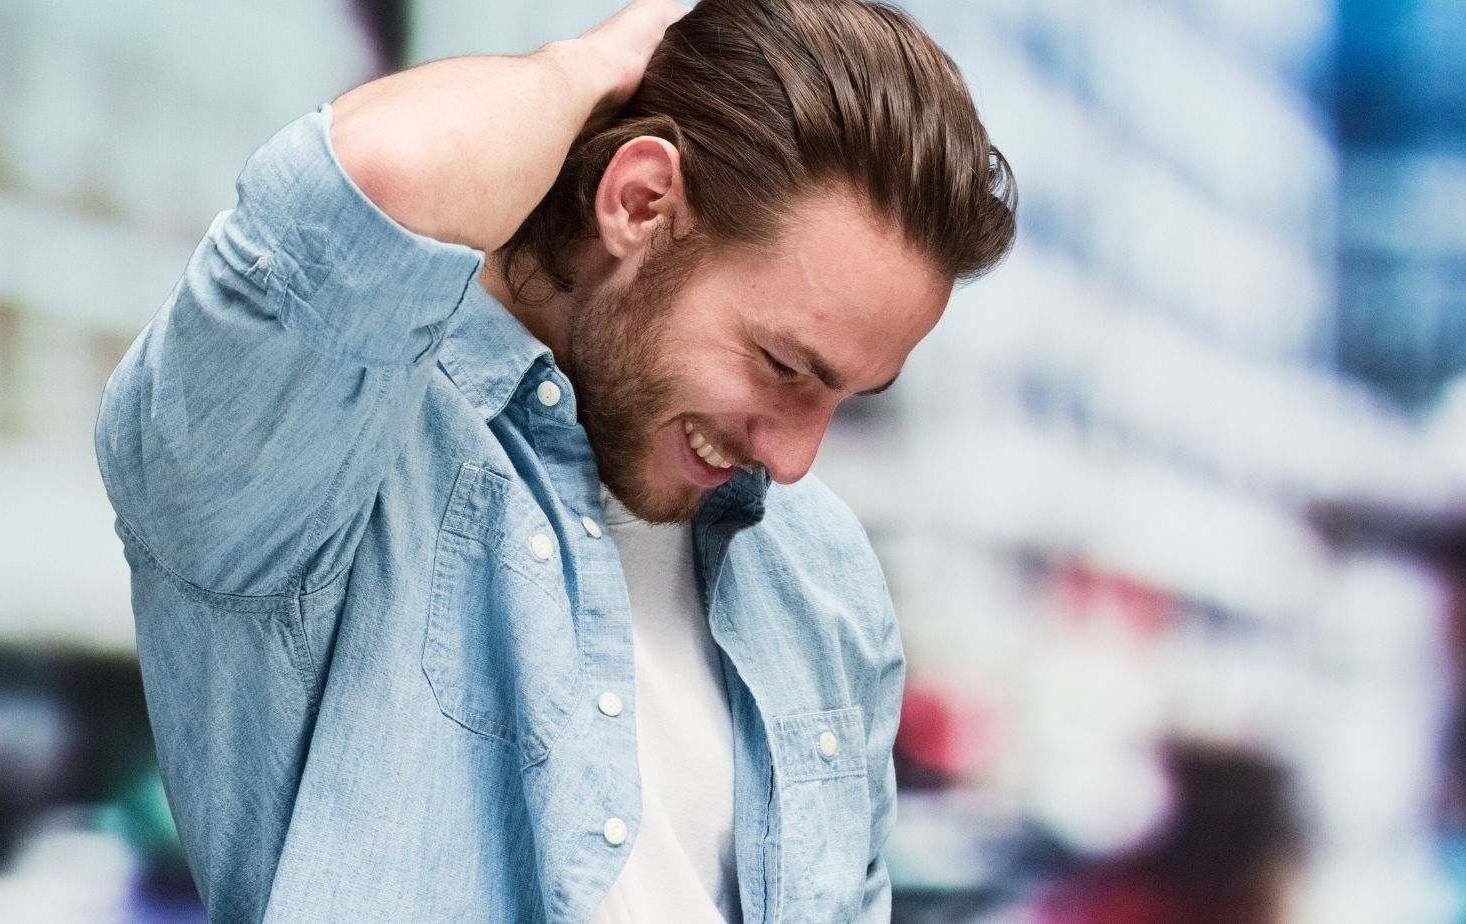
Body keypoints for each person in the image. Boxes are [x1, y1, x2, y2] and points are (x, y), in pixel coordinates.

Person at [93, 0, 1016, 920]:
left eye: (845, 398)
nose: (795, 459)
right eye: (781, 367)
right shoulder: (324, 460)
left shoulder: (825, 573)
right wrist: (588, 67)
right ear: (640, 202)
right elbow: (374, 180)